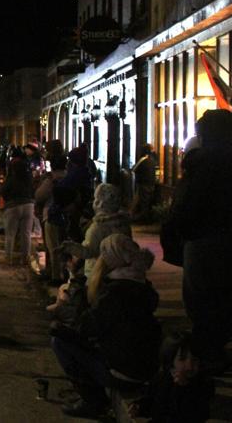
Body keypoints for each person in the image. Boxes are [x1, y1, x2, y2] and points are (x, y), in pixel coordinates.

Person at [52, 233, 161, 418]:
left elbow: (85, 328)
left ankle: (93, 402)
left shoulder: (115, 293)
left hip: (123, 373)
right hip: (144, 370)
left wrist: (75, 298)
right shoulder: (143, 287)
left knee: (59, 341)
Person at [164, 108, 232, 373]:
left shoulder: (202, 165)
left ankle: (207, 357)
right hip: (219, 242)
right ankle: (216, 350)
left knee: (203, 302)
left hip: (204, 244)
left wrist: (175, 237)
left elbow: (185, 208)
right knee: (224, 299)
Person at [134, 331, 215, 422]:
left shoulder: (203, 384)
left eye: (195, 360)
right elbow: (152, 403)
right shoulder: (162, 378)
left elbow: (197, 415)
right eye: (182, 359)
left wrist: (183, 388)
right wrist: (139, 407)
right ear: (170, 361)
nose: (190, 365)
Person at [61, 183, 132, 276]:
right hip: (120, 271)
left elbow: (88, 251)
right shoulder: (124, 225)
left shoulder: (98, 227)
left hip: (98, 272)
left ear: (100, 203)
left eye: (95, 199)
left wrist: (70, 247)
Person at [0, 148, 34, 266]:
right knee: (26, 234)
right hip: (28, 205)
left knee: (10, 234)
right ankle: (25, 258)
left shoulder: (12, 178)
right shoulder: (28, 178)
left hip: (13, 206)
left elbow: (4, 191)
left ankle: (8, 258)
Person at [34, 155, 68, 282]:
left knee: (53, 246)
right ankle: (64, 273)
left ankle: (55, 276)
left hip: (51, 213)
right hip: (67, 214)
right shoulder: (69, 177)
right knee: (63, 245)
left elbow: (39, 195)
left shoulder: (52, 179)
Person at [130, 144, 157, 223]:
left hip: (143, 184)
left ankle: (142, 219)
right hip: (151, 183)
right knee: (147, 202)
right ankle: (145, 218)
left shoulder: (143, 159)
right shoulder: (153, 160)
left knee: (143, 202)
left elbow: (134, 169)